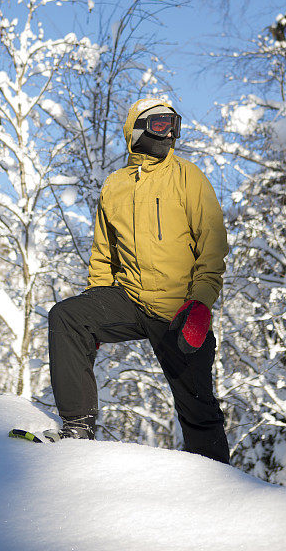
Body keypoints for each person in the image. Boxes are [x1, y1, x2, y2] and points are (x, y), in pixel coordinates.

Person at [47, 98, 230, 464]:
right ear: (138, 130)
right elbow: (103, 255)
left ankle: (217, 483)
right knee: (67, 318)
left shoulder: (188, 177)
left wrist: (199, 305)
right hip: (130, 300)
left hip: (179, 310)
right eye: (160, 124)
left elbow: (212, 248)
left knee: (198, 411)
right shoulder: (114, 185)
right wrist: (94, 315)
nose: (170, 132)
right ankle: (77, 428)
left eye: (173, 124)